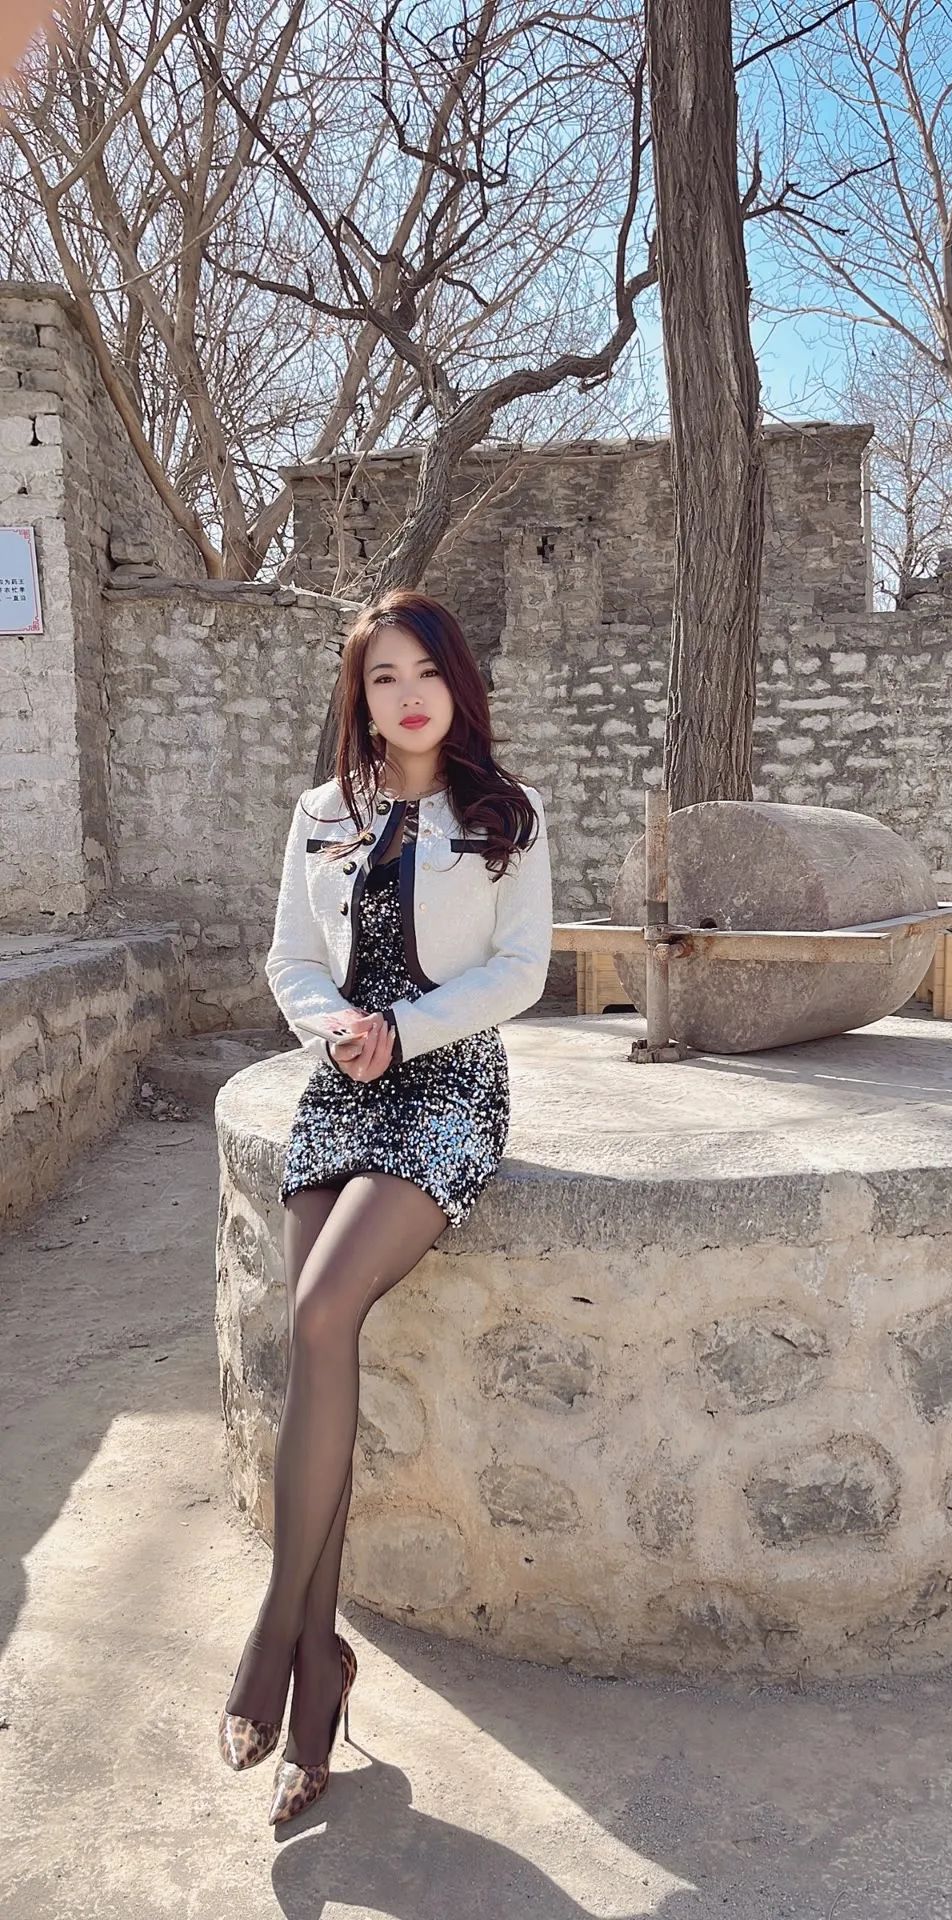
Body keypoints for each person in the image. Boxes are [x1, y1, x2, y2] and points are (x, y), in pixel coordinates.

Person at [217, 588, 553, 1826]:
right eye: (382, 677)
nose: (407, 696)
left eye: (426, 672)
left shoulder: (504, 814)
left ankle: (277, 1635)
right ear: (358, 698)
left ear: (458, 683)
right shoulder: (323, 813)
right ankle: (319, 1683)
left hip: (450, 1086)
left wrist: (405, 1028)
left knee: (318, 1315)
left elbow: (521, 970)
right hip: (343, 1087)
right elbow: (291, 960)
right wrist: (338, 1029)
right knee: (322, 1350)